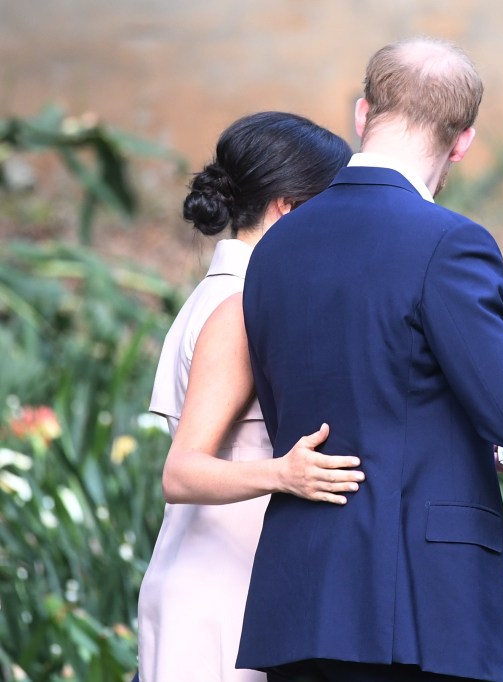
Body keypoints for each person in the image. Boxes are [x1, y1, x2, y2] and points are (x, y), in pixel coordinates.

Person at [238, 38, 503, 682]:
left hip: (300, 598)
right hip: (421, 608)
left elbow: (343, 395)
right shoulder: (449, 243)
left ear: (363, 114)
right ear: (463, 142)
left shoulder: (276, 246)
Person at [135, 112, 362, 682]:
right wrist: (284, 474)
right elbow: (182, 471)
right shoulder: (238, 307)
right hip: (219, 594)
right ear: (286, 207)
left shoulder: (233, 296)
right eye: (331, 207)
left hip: (227, 579)